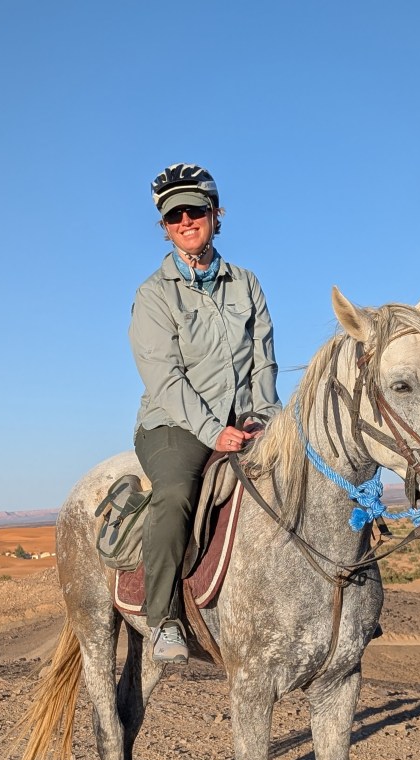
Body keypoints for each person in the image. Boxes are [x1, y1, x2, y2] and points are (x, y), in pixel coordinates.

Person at [129, 163, 281, 663]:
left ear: (217, 215)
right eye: (176, 216)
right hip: (175, 425)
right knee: (174, 495)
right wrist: (214, 431)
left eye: (196, 210)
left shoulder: (247, 284)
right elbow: (164, 378)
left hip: (245, 418)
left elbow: (264, 356)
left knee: (314, 471)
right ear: (165, 227)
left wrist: (264, 415)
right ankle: (164, 617)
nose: (187, 220)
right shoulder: (154, 295)